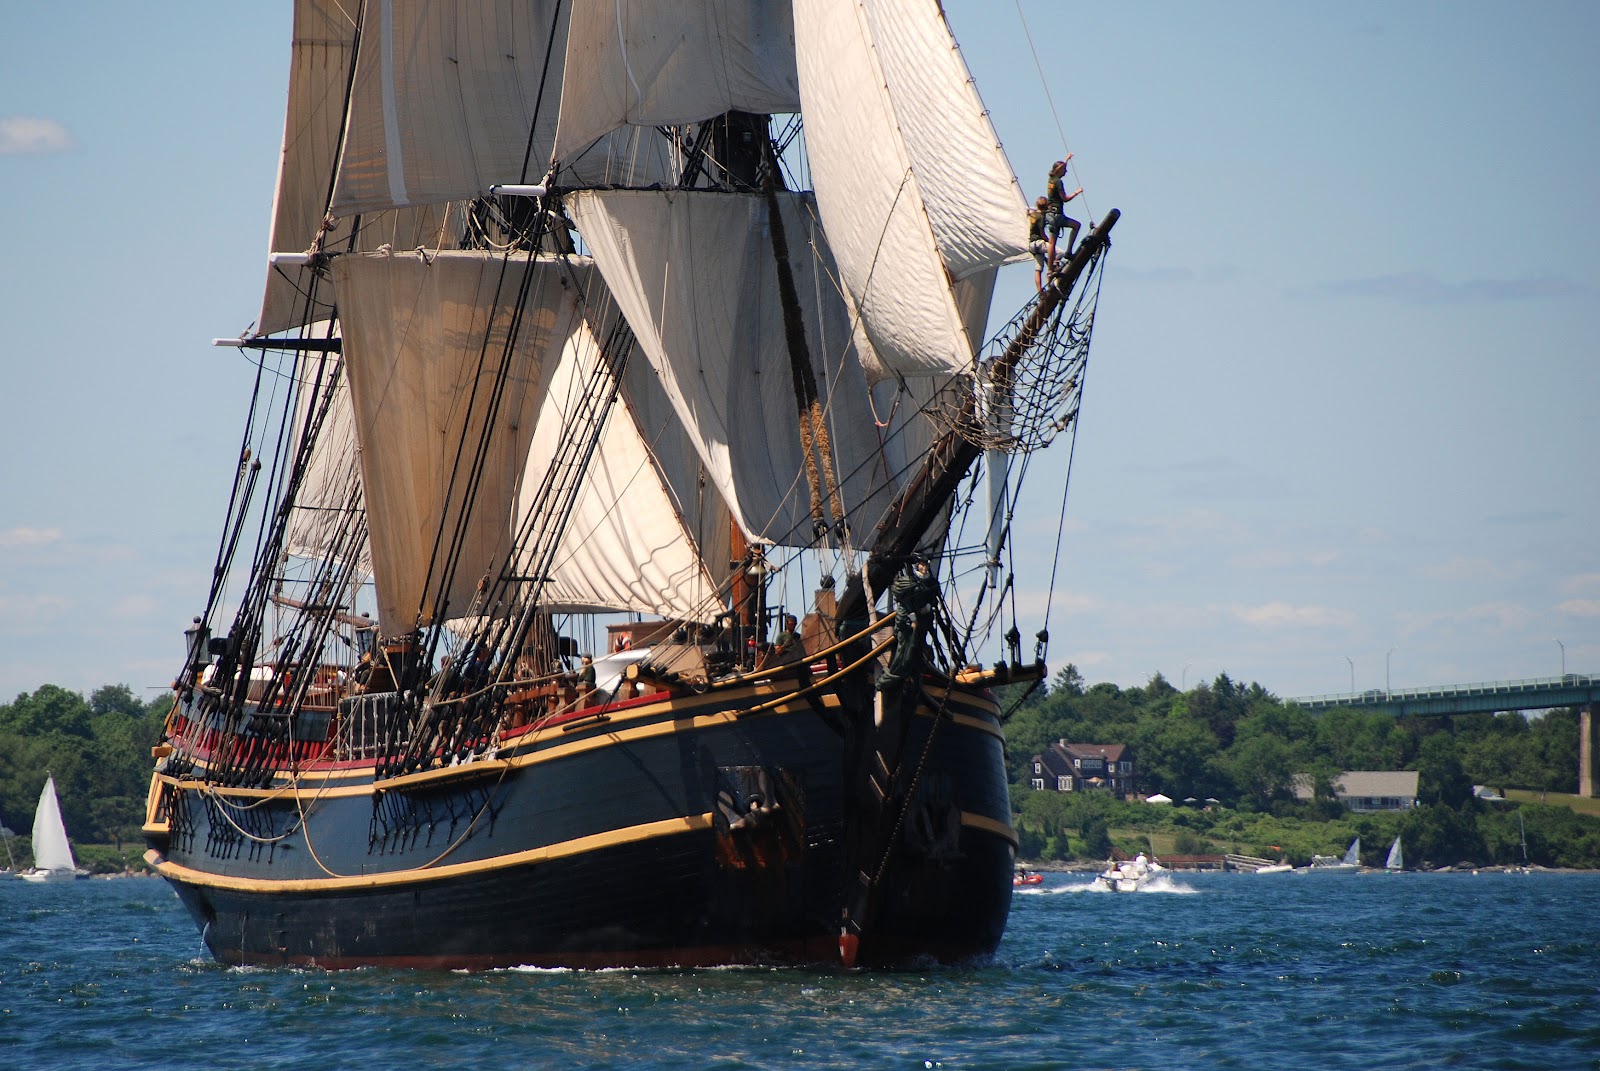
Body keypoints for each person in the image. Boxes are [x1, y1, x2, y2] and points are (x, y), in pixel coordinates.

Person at [1044, 157, 1083, 266]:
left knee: (1052, 243)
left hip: (1050, 215)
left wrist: (1066, 159)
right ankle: (1068, 252)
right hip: (1058, 216)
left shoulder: (1050, 179)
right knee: (1076, 225)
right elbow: (1065, 199)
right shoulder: (1058, 182)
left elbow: (1059, 166)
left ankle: (1050, 269)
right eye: (1064, 169)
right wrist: (1077, 192)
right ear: (1059, 170)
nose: (1066, 171)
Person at [1027, 196, 1050, 292]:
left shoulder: (1033, 215)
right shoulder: (1040, 217)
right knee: (1058, 252)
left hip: (1031, 245)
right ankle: (1053, 272)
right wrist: (1048, 240)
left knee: (1038, 269)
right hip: (1039, 243)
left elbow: (1032, 212)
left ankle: (1040, 291)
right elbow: (1042, 233)